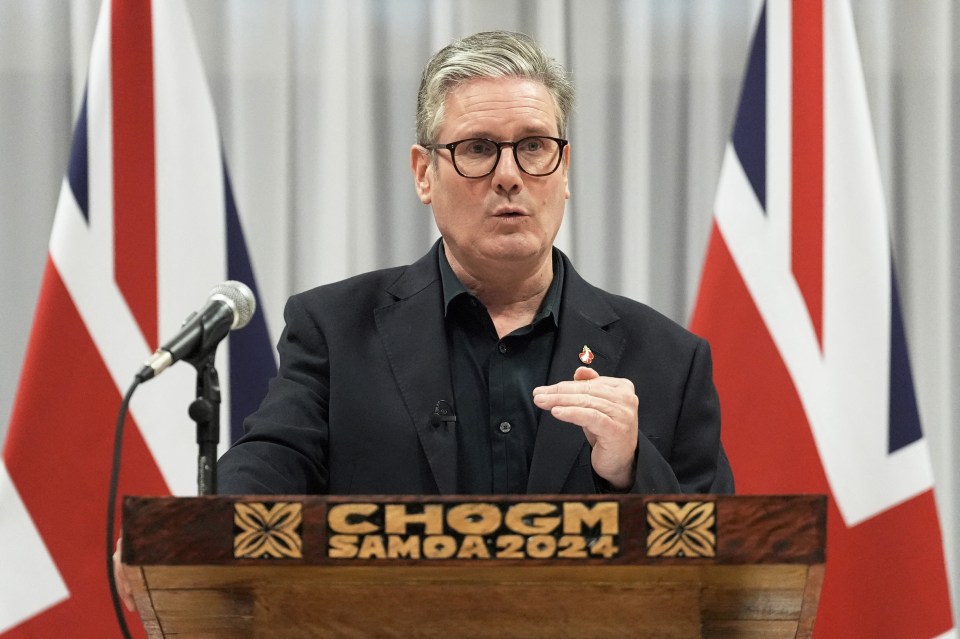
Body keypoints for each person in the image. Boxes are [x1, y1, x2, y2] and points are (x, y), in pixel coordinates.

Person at [215, 30, 733, 497]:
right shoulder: (333, 331)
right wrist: (176, 542)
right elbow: (263, 473)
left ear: (565, 169)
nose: (509, 175)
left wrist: (632, 467)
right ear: (424, 174)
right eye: (479, 148)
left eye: (533, 146)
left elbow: (722, 559)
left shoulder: (669, 359)